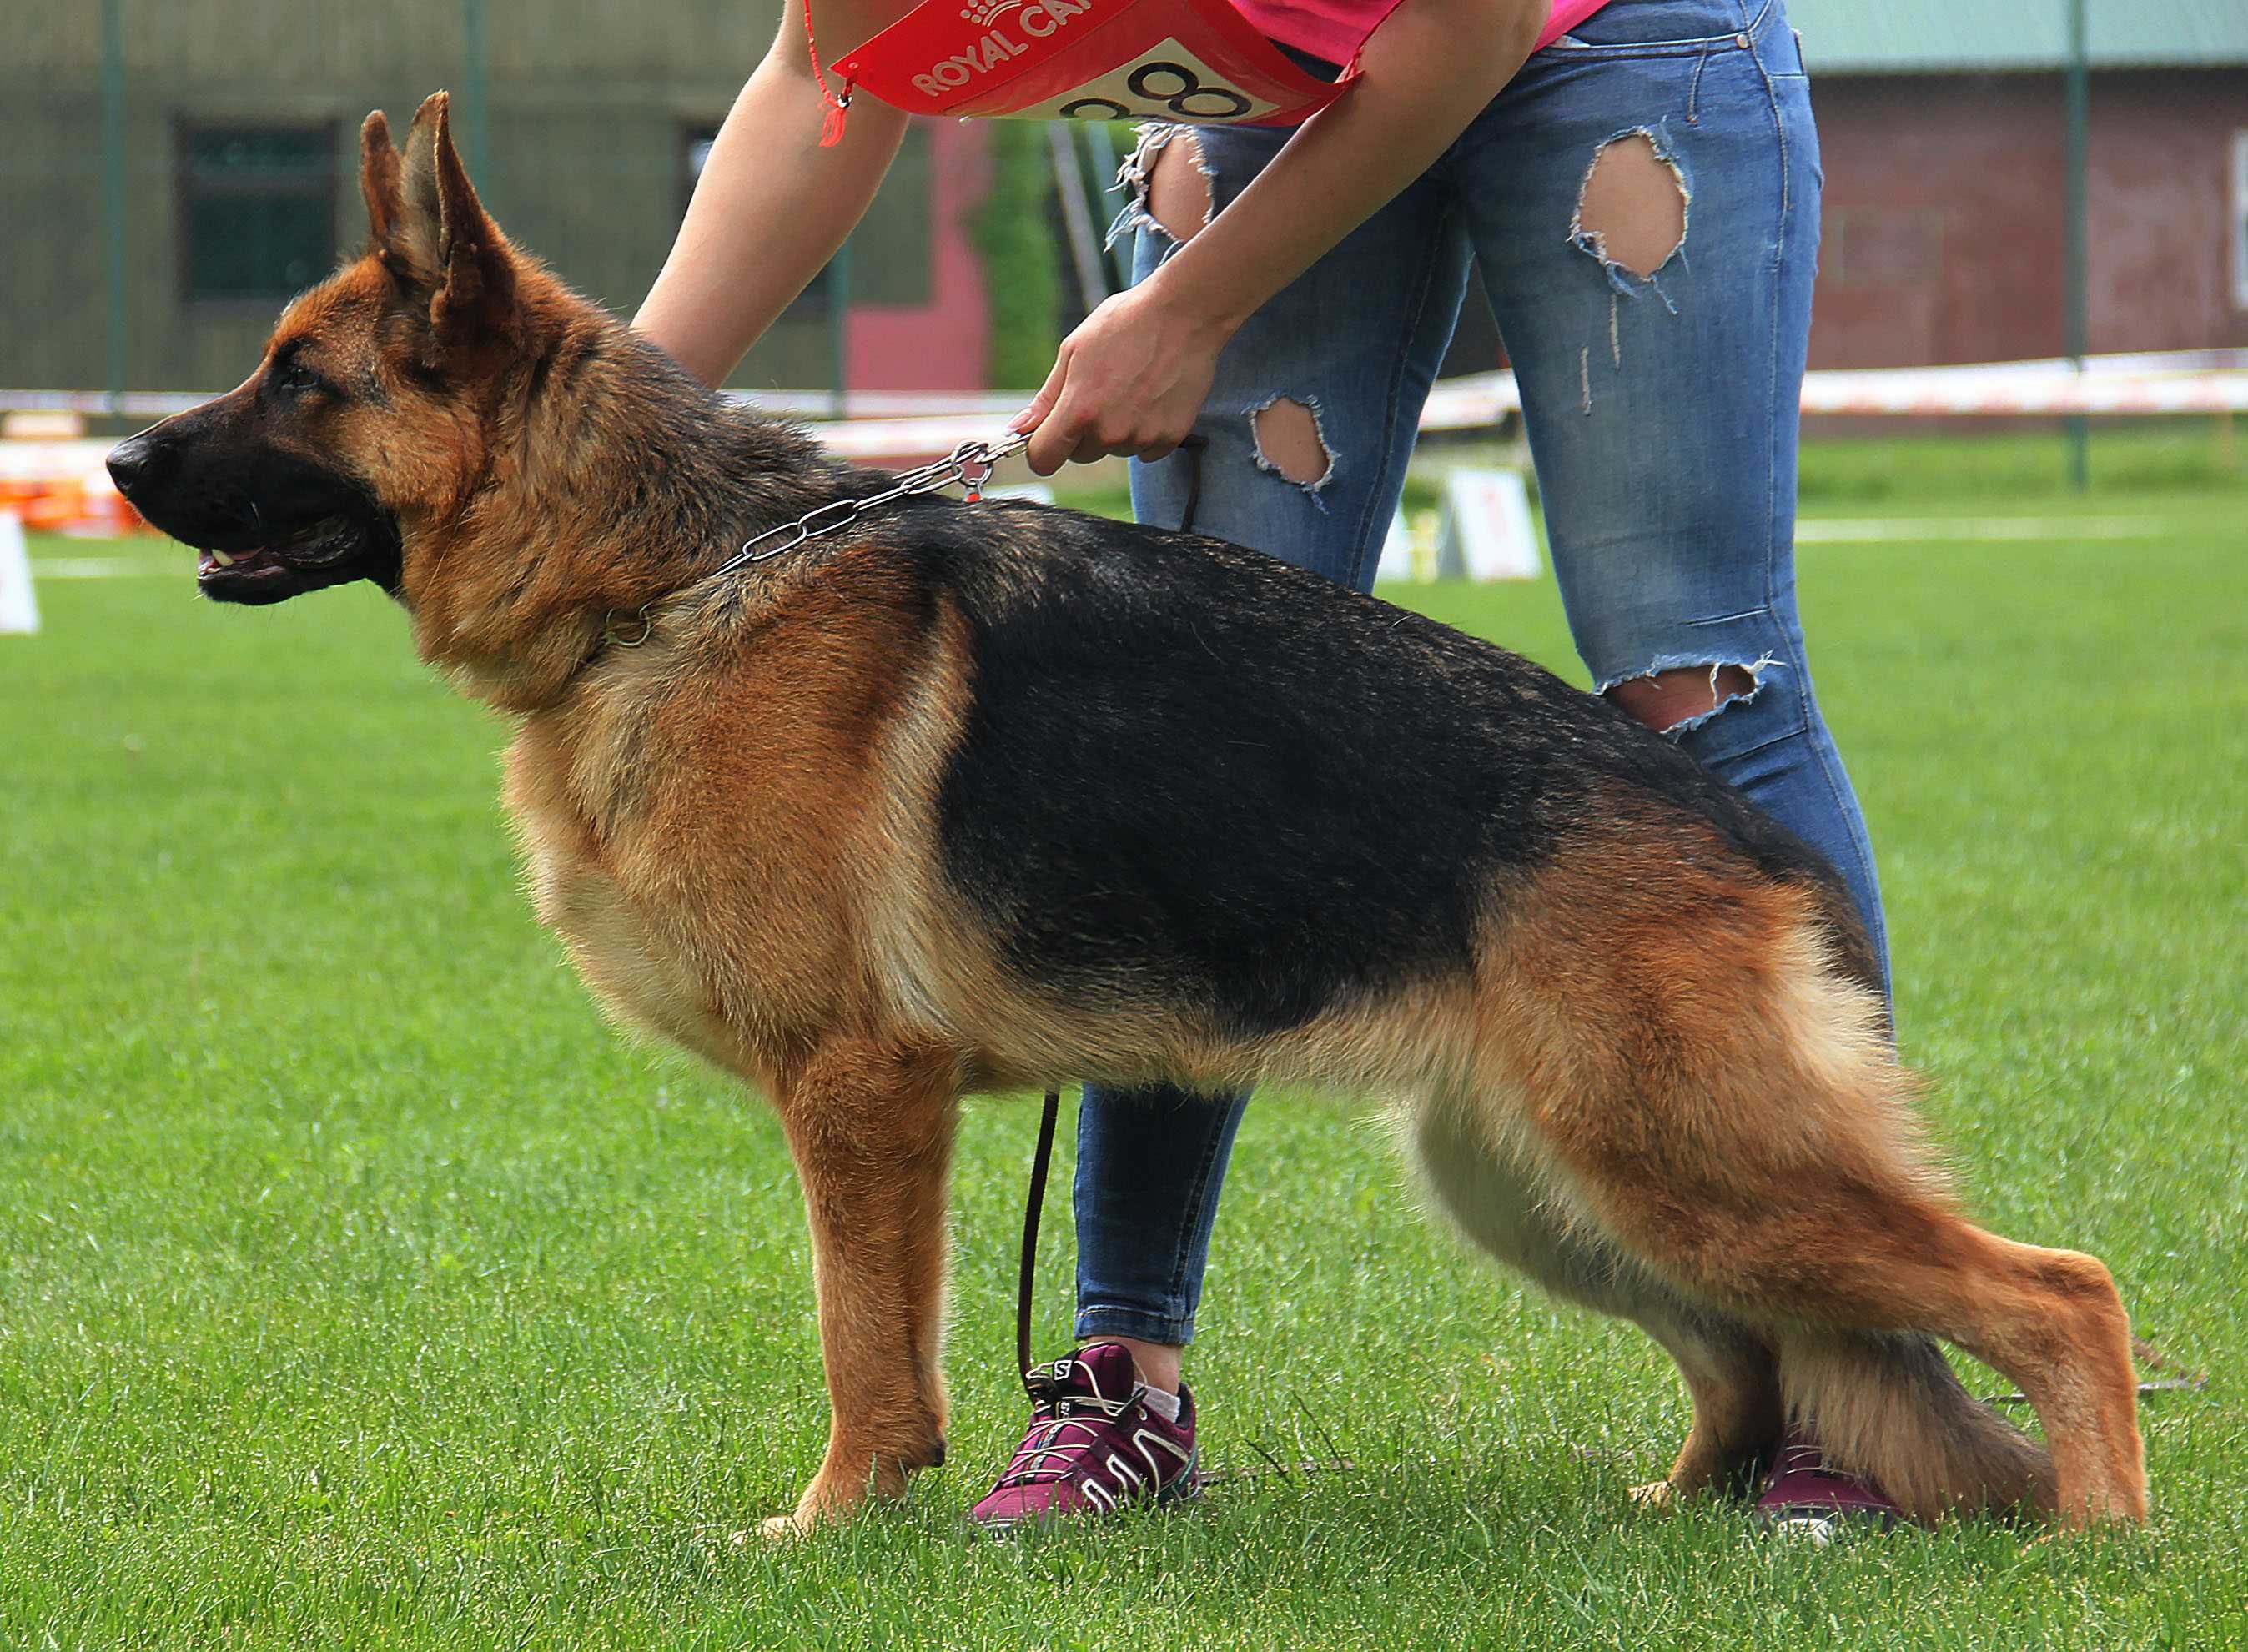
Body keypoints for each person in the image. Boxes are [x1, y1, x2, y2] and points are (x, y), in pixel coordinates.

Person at [637, 0, 1902, 1536]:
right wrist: (604, 429)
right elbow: (819, 74)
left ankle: (1858, 1375)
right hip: (1283, 80)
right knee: (1175, 708)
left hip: (1605, 43)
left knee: (1691, 668)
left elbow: (1475, 24)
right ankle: (1124, 1381)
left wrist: (1189, 306)